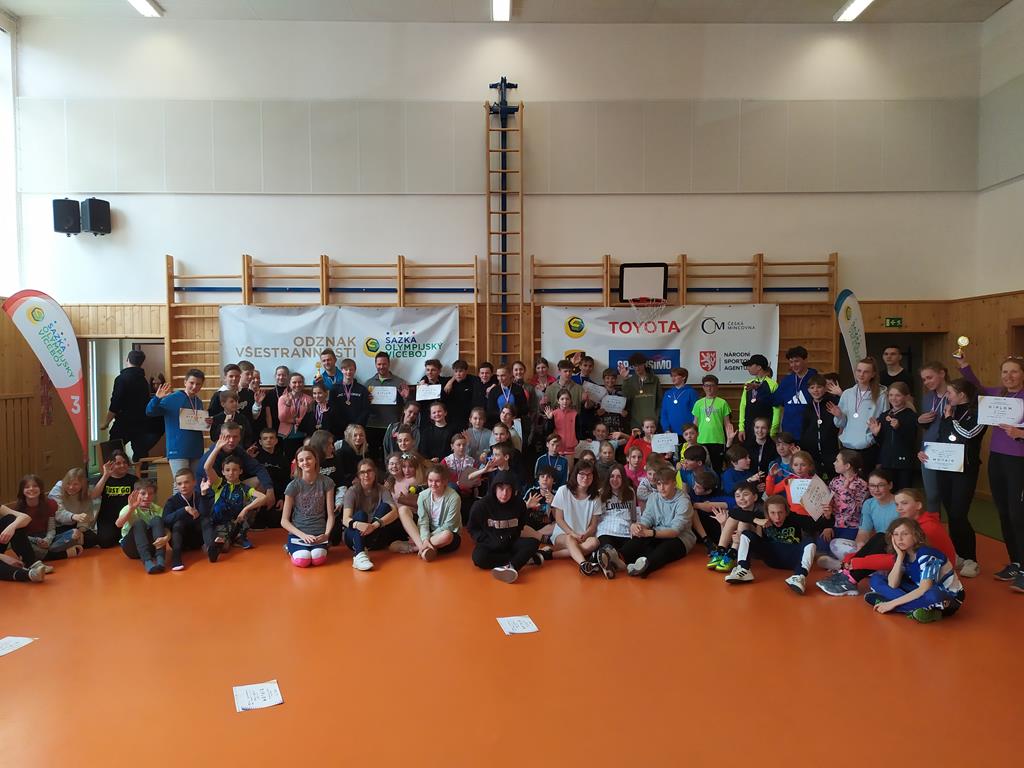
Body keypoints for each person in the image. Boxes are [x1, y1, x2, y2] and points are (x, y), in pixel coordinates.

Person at [958, 354, 1024, 591]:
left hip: (1019, 461)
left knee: (1018, 515)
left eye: (1014, 371)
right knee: (1004, 513)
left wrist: (1021, 434)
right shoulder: (998, 394)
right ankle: (1016, 562)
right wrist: (964, 365)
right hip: (997, 458)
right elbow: (976, 386)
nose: (1009, 376)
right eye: (1005, 372)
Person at [816, 488, 955, 597]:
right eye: (897, 504)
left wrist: (858, 563)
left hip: (931, 578)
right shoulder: (912, 524)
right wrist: (851, 560)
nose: (899, 508)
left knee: (879, 579)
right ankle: (848, 574)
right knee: (882, 537)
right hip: (915, 568)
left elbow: (897, 559)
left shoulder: (927, 528)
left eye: (904, 503)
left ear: (918, 505)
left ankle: (850, 577)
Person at [921, 377, 986, 578]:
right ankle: (957, 554)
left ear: (962, 395)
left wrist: (949, 419)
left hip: (965, 470)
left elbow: (968, 435)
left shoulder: (977, 413)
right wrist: (926, 453)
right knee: (951, 513)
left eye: (950, 393)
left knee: (959, 514)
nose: (947, 396)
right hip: (945, 468)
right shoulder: (951, 410)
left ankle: (971, 559)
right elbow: (942, 438)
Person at [866, 517, 964, 623]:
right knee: (876, 579)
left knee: (933, 596)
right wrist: (900, 557)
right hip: (918, 590)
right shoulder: (903, 554)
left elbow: (924, 588)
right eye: (896, 534)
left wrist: (891, 604)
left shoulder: (927, 555)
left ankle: (894, 604)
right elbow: (892, 585)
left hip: (947, 597)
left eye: (905, 534)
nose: (899, 539)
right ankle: (920, 610)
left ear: (916, 536)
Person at [724, 494, 818, 593]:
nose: (777, 517)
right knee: (746, 534)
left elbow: (817, 524)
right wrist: (757, 520)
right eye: (772, 513)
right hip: (771, 556)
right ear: (767, 513)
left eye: (780, 512)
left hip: (793, 559)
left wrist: (827, 517)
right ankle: (743, 569)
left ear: (786, 512)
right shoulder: (762, 517)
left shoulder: (794, 518)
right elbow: (733, 513)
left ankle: (799, 576)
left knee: (810, 541)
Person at [467, 470, 542, 583]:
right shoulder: (481, 505)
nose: (504, 493)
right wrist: (489, 541)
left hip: (510, 542)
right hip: (490, 543)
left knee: (533, 543)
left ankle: (512, 566)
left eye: (508, 489)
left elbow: (521, 524)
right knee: (478, 558)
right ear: (495, 488)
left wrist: (511, 537)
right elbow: (473, 529)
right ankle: (524, 559)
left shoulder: (519, 504)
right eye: (501, 489)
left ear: (513, 490)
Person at [619, 466, 694, 578]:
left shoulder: (683, 502)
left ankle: (644, 567)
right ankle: (618, 558)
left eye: (666, 484)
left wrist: (650, 533)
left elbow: (675, 531)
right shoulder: (654, 497)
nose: (662, 488)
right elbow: (647, 518)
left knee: (664, 549)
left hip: (680, 538)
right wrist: (639, 527)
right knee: (639, 539)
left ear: (674, 484)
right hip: (657, 532)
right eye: (659, 484)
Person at [818, 468, 897, 571]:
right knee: (835, 544)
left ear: (890, 485)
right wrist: (860, 544)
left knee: (891, 558)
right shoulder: (869, 504)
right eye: (872, 486)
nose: (876, 490)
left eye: (881, 485)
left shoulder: (900, 502)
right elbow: (863, 532)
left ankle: (844, 566)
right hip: (876, 547)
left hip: (895, 547)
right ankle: (861, 565)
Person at [826, 357, 887, 475]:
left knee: (864, 481)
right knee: (847, 481)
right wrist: (839, 416)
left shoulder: (881, 396)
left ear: (873, 374)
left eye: (866, 372)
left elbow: (883, 423)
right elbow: (841, 424)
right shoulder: (847, 394)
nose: (861, 374)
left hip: (868, 449)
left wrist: (873, 437)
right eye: (859, 371)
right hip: (847, 448)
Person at [341, 459, 405, 571]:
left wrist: (374, 525)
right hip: (354, 536)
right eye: (362, 472)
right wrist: (358, 525)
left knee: (386, 506)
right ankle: (359, 555)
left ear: (375, 473)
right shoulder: (352, 491)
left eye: (369, 471)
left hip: (375, 536)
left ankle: (363, 549)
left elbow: (395, 512)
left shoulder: (382, 489)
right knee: (361, 515)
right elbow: (346, 519)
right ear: (359, 475)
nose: (366, 475)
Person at [204, 438, 267, 553]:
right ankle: (216, 544)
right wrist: (217, 448)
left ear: (241, 471)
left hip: (235, 523)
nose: (231, 473)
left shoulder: (244, 488)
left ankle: (238, 537)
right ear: (223, 472)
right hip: (218, 524)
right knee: (224, 548)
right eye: (227, 470)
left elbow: (263, 497)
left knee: (250, 506)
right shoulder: (219, 484)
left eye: (234, 470)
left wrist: (245, 509)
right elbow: (207, 467)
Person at [195, 422, 275, 509]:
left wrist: (270, 489)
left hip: (232, 488)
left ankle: (247, 514)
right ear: (220, 437)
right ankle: (240, 513)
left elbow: (258, 468)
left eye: (235, 437)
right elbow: (211, 486)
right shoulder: (210, 458)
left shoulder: (238, 450)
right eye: (228, 436)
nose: (231, 440)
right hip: (212, 498)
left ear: (240, 437)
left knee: (261, 481)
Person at [100, 349, 162, 460]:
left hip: (124, 422)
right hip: (141, 423)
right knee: (140, 454)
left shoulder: (121, 379)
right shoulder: (143, 381)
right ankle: (142, 471)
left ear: (127, 360)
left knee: (113, 451)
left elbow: (115, 403)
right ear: (141, 363)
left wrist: (106, 422)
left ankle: (114, 470)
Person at [146, 369, 209, 475]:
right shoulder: (172, 398)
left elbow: (197, 424)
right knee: (181, 482)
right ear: (185, 382)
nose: (194, 386)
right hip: (178, 450)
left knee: (195, 482)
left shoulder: (198, 401)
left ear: (201, 385)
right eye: (191, 383)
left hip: (196, 449)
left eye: (198, 384)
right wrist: (157, 398)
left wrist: (206, 422)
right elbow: (149, 411)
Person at [281, 446, 335, 568]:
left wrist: (326, 534)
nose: (305, 462)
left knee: (318, 559)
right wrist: (303, 536)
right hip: (299, 534)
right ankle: (290, 548)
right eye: (301, 460)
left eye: (308, 458)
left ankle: (322, 546)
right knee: (303, 560)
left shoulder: (327, 482)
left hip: (319, 534)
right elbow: (284, 521)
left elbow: (331, 515)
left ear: (315, 459)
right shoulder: (293, 486)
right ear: (298, 464)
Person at [11, 474, 83, 563]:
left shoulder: (49, 504)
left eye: (35, 486)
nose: (31, 489)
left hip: (46, 537)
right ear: (22, 490)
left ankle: (41, 554)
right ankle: (60, 554)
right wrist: (36, 541)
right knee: (19, 543)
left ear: (40, 489)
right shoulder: (17, 509)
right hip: (29, 540)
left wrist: (47, 540)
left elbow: (51, 529)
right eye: (27, 487)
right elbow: (19, 535)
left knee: (74, 533)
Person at [550, 460, 604, 575]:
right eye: (582, 474)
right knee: (570, 539)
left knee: (594, 542)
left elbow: (593, 525)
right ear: (576, 474)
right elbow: (559, 519)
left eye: (589, 474)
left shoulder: (596, 497)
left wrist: (586, 534)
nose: (586, 477)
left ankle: (551, 555)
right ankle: (583, 564)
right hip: (563, 534)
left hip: (583, 537)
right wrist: (572, 533)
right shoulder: (563, 490)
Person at [161, 468, 218, 570]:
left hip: (197, 541)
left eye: (186, 482)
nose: (183, 486)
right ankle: (176, 558)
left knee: (205, 520)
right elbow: (165, 520)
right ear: (176, 485)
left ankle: (211, 549)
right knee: (178, 524)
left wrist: (203, 494)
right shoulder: (172, 501)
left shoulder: (200, 496)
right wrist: (184, 510)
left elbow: (206, 514)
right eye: (179, 484)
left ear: (194, 482)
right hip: (180, 542)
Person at [870, 381, 917, 491]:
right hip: (886, 463)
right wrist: (876, 434)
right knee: (888, 492)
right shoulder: (884, 416)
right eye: (891, 395)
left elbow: (911, 440)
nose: (893, 398)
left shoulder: (911, 416)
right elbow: (881, 442)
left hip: (904, 464)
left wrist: (898, 428)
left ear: (906, 397)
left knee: (903, 493)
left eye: (898, 395)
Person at [115, 480, 169, 574]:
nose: (147, 496)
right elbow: (118, 524)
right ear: (136, 494)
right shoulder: (128, 508)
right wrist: (131, 509)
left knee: (157, 519)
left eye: (150, 493)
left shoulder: (157, 509)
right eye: (143, 493)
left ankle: (160, 559)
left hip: (151, 547)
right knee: (139, 523)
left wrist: (167, 537)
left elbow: (166, 528)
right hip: (132, 548)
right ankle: (147, 561)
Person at [917, 361, 950, 513]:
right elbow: (928, 427)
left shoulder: (955, 394)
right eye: (924, 379)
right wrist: (920, 421)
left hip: (950, 450)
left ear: (942, 373)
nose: (926, 382)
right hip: (929, 450)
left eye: (929, 377)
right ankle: (934, 527)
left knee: (950, 497)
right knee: (931, 496)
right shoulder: (927, 397)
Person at [365, 352, 409, 463]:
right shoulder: (368, 383)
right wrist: (366, 400)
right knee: (373, 456)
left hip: (392, 425)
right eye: (379, 364)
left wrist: (406, 397)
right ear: (375, 364)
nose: (381, 367)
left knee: (392, 456)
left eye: (384, 364)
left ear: (389, 364)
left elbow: (406, 406)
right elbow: (363, 406)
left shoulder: (399, 382)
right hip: (372, 425)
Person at [412, 464, 463, 561]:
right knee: (405, 512)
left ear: (445, 482)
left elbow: (450, 525)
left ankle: (417, 547)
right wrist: (425, 537)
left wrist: (426, 539)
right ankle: (429, 548)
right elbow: (423, 521)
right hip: (429, 533)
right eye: (430, 480)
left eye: (437, 481)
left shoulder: (454, 498)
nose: (433, 484)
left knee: (447, 535)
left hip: (448, 535)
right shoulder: (422, 496)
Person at [594, 463, 636, 577]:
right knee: (607, 549)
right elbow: (596, 517)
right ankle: (614, 563)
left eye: (618, 476)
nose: (615, 479)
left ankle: (604, 563)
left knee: (635, 547)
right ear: (608, 478)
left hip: (625, 531)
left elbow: (633, 516)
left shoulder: (630, 492)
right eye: (612, 476)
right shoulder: (601, 493)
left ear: (623, 478)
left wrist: (634, 526)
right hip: (606, 530)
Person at [90, 450, 138, 548]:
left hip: (126, 517)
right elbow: (94, 495)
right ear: (111, 465)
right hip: (107, 518)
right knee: (105, 542)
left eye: (124, 462)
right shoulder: (103, 478)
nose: (122, 465)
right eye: (118, 463)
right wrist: (105, 475)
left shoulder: (133, 480)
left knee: (130, 541)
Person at [800, 374, 840, 482]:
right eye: (812, 387)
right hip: (812, 453)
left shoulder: (833, 403)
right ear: (808, 390)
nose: (815, 390)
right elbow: (804, 429)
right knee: (816, 482)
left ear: (825, 388)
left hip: (830, 450)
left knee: (834, 480)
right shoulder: (808, 407)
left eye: (819, 387)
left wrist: (840, 395)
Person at [771, 346, 817, 437]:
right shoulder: (786, 381)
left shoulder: (815, 379)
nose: (794, 365)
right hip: (789, 431)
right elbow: (775, 401)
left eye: (796, 361)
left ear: (805, 360)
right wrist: (761, 389)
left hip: (810, 430)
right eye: (791, 362)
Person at [49, 467, 99, 549]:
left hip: (74, 525)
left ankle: (70, 544)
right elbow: (58, 513)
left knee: (93, 539)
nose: (71, 487)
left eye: (75, 484)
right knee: (67, 537)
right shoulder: (57, 490)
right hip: (57, 526)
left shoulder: (86, 493)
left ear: (82, 485)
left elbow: (87, 513)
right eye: (68, 483)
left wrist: (81, 530)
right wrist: (73, 516)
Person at [248, 429, 288, 528]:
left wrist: (282, 498)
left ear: (276, 441)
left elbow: (286, 481)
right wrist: (249, 459)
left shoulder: (282, 459)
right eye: (265, 438)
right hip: (258, 496)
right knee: (257, 525)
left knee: (276, 524)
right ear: (260, 442)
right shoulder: (254, 456)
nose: (268, 440)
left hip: (276, 497)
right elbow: (246, 476)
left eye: (271, 438)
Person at [692, 374, 733, 471]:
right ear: (703, 387)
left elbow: (727, 423)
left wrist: (729, 439)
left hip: (718, 440)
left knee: (717, 468)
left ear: (716, 387)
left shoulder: (722, 403)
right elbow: (695, 423)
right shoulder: (698, 403)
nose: (709, 388)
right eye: (706, 385)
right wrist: (693, 439)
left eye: (712, 385)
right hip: (701, 440)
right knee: (702, 468)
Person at [738, 354, 780, 440]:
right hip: (749, 428)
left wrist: (773, 430)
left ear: (759, 367)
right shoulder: (748, 383)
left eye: (750, 365)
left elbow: (776, 409)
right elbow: (743, 406)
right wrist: (741, 428)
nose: (748, 368)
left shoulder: (773, 384)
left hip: (765, 430)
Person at [619, 353, 659, 432]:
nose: (637, 368)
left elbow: (660, 401)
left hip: (652, 424)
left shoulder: (654, 379)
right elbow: (626, 398)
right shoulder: (630, 381)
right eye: (635, 366)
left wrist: (657, 417)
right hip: (636, 423)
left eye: (639, 365)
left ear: (644, 364)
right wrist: (625, 379)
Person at [332, 358, 371, 434]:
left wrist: (355, 426)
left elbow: (365, 410)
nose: (348, 372)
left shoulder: (362, 389)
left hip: (357, 429)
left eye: (351, 369)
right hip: (340, 428)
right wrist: (344, 425)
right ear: (342, 370)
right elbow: (333, 409)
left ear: (355, 370)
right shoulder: (334, 389)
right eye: (346, 369)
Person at [443, 359, 481, 432]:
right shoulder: (448, 382)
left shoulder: (473, 380)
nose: (458, 374)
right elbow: (432, 378)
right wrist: (451, 381)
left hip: (467, 417)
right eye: (456, 371)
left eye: (460, 371)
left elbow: (491, 378)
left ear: (466, 371)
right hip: (452, 418)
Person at [660, 367, 698, 436]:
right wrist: (666, 428)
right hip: (670, 432)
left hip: (688, 432)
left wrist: (693, 428)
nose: (673, 378)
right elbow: (664, 413)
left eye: (675, 376)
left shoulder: (691, 392)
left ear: (683, 377)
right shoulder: (668, 393)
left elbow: (696, 413)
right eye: (672, 376)